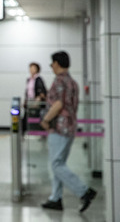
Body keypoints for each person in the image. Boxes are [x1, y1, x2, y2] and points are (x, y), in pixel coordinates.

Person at [40, 51, 97, 212]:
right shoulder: (73, 82)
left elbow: (58, 105)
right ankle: (55, 198)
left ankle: (84, 191)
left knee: (56, 164)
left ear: (57, 63)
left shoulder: (59, 81)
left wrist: (45, 120)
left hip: (58, 128)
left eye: (52, 64)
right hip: (71, 127)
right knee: (59, 163)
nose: (51, 67)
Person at [23, 62, 47, 134]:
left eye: (33, 68)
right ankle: (26, 132)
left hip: (37, 102)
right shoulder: (29, 79)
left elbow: (42, 91)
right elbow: (27, 91)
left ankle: (40, 132)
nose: (31, 69)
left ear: (37, 69)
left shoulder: (39, 79)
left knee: (38, 117)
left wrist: (39, 98)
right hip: (30, 101)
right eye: (30, 68)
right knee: (26, 117)